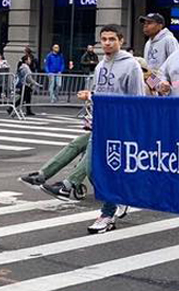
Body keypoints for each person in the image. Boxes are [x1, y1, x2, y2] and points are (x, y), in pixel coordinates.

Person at [40, 25, 144, 233]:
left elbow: (136, 99)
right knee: (93, 170)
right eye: (104, 39)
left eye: (112, 39)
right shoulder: (99, 66)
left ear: (121, 40)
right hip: (100, 123)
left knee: (107, 168)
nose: (107, 43)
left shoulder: (131, 65)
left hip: (120, 125)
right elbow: (98, 93)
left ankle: (108, 213)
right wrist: (91, 100)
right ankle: (116, 199)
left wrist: (132, 125)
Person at [19, 57, 155, 193]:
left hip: (130, 132)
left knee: (91, 149)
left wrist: (92, 97)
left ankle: (69, 183)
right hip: (113, 126)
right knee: (77, 143)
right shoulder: (135, 84)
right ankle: (44, 174)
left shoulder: (143, 87)